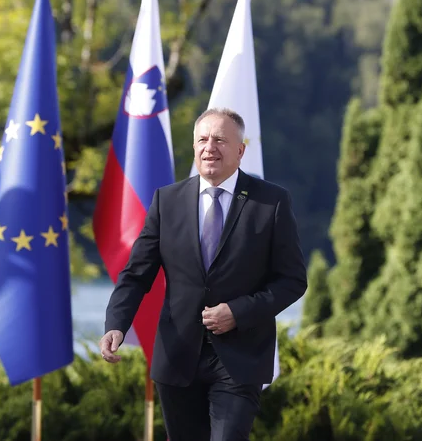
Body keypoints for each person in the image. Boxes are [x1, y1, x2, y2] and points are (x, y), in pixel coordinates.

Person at [99, 107, 307, 441]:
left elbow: (293, 280)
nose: (210, 147)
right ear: (194, 148)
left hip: (240, 360)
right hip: (177, 357)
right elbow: (137, 274)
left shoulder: (271, 202)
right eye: (203, 139)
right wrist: (116, 324)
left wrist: (238, 312)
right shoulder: (167, 201)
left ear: (240, 150)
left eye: (220, 140)